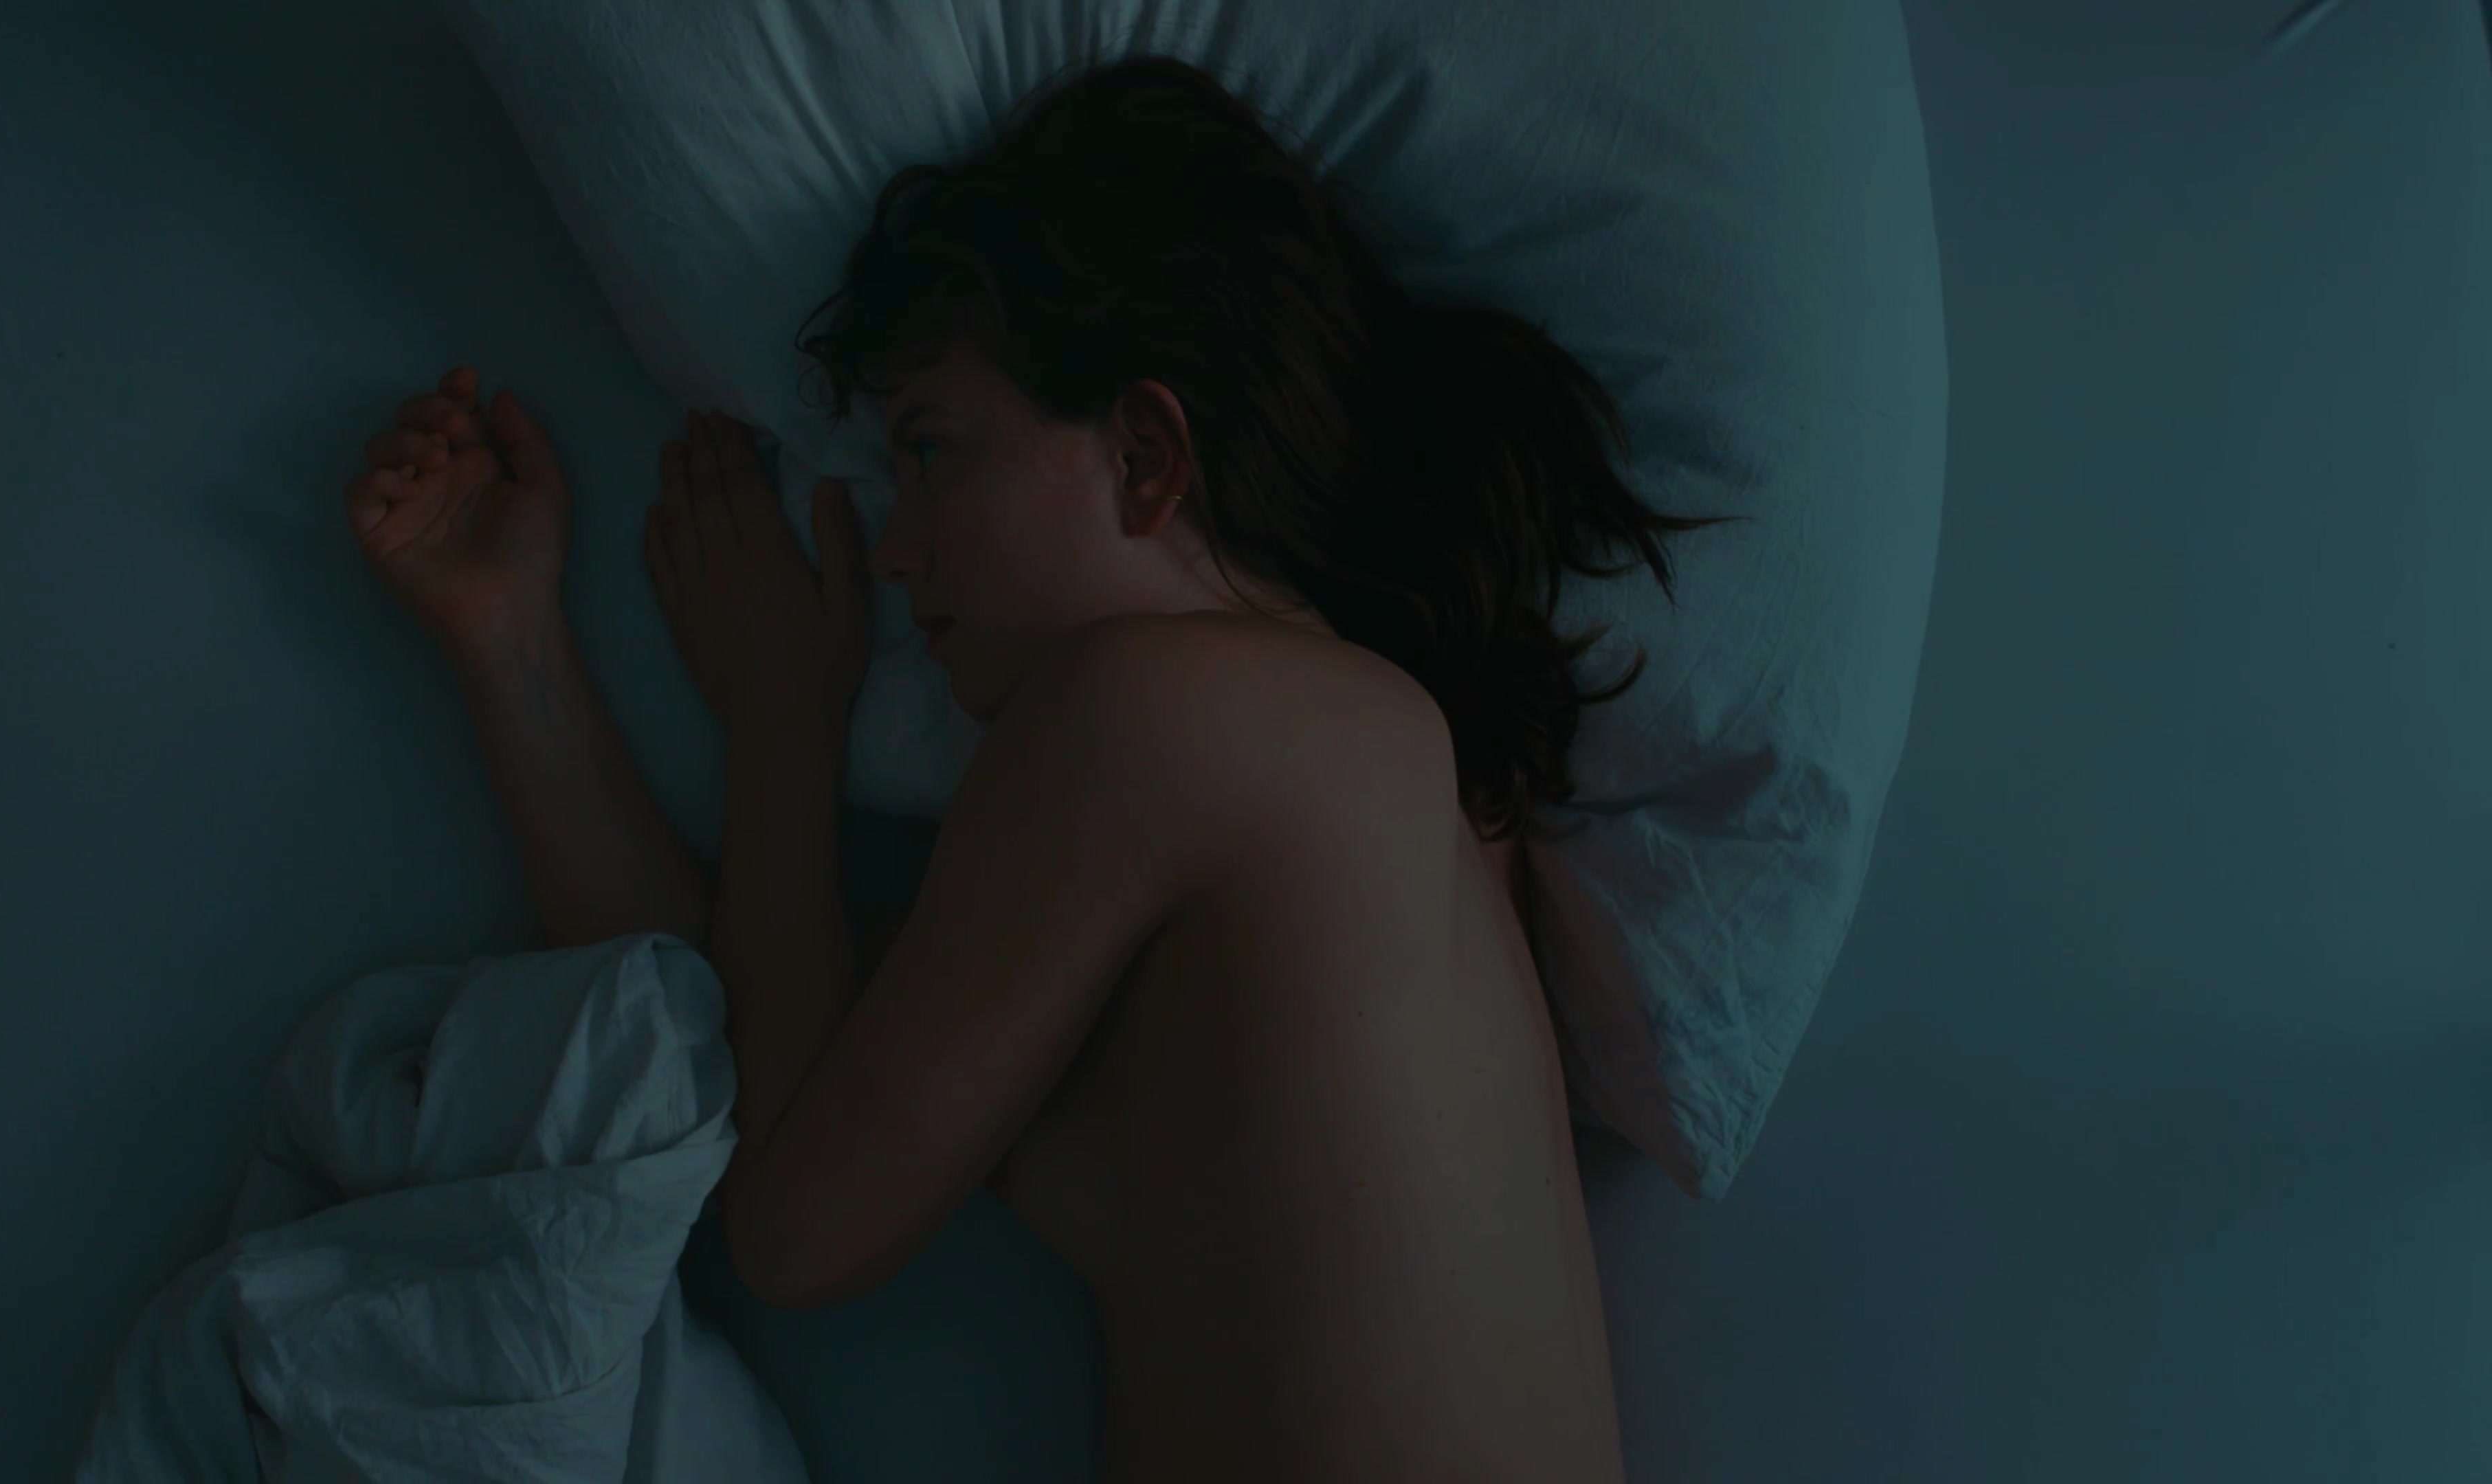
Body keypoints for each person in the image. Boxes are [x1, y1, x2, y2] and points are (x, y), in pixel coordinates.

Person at [342, 52, 1738, 1484]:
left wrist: (784, 730)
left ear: (1143, 456)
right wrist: (511, 647)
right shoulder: (1378, 798)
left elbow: (789, 1234)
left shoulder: (1155, 712)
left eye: (932, 450)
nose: (894, 548)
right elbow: (743, 1044)